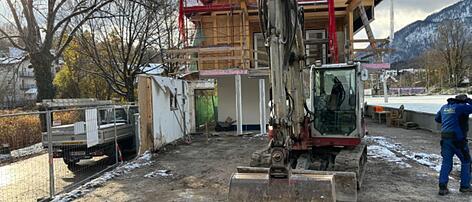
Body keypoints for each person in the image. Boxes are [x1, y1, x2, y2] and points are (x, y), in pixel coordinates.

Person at [435, 94, 472, 195]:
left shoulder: (444, 107)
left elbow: (437, 119)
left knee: (446, 162)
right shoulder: (462, 107)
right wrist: (469, 100)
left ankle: (442, 187)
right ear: (463, 101)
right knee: (466, 161)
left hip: (445, 139)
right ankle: (465, 186)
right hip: (458, 140)